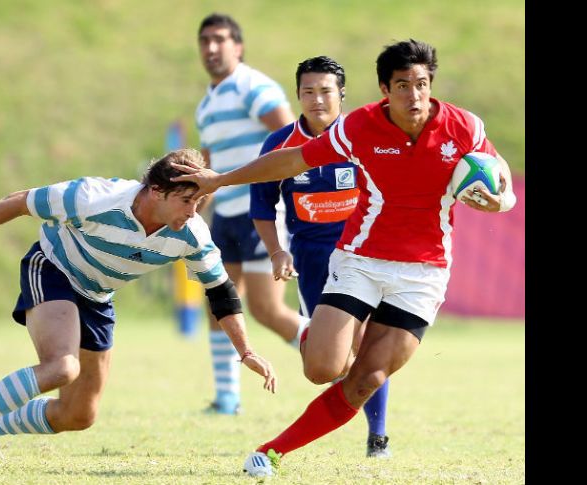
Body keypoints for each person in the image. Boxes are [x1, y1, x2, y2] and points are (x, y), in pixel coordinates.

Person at [172, 39, 517, 477]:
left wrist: (501, 200)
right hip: (360, 262)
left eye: (423, 84)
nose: (415, 96)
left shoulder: (463, 126)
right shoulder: (358, 128)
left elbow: (496, 167)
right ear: (383, 89)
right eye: (403, 85)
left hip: (423, 275)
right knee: (321, 368)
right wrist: (220, 179)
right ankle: (326, 351)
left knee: (368, 379)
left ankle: (270, 452)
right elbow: (291, 160)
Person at [0, 148, 277, 468]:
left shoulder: (191, 234)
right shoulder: (93, 196)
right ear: (156, 191)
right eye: (186, 200)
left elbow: (221, 292)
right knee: (62, 367)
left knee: (79, 414)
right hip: (54, 268)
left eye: (199, 202)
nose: (193, 211)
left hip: (99, 295)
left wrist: (245, 350)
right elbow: (19, 201)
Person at [250, 55, 393, 458]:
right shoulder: (279, 144)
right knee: (326, 366)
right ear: (297, 95)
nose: (317, 100)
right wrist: (277, 252)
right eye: (308, 92)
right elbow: (261, 207)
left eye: (325, 91)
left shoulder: (366, 136)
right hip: (313, 260)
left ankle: (378, 436)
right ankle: (313, 341)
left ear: (341, 94)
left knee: (370, 345)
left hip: (365, 254)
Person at [195, 13, 308, 415]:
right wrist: (190, 214)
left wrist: (285, 195)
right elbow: (209, 168)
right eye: (205, 40)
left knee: (266, 310)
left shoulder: (252, 86)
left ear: (237, 46)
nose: (211, 48)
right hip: (225, 216)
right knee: (219, 303)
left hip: (260, 212)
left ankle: (338, 357)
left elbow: (292, 138)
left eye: (220, 39)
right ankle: (227, 398)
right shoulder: (207, 104)